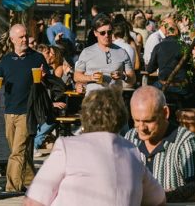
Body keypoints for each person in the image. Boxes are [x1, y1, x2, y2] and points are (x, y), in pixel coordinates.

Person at [24, 88, 165, 206]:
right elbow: (158, 199)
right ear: (122, 117)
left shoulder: (68, 148)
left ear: (84, 115)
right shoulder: (132, 152)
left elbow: (34, 201)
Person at [125, 86, 195, 202]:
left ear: (165, 112)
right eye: (136, 121)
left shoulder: (185, 142)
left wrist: (158, 197)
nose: (142, 128)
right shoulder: (130, 138)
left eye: (149, 121)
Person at [0, 23, 48, 192]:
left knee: (17, 152)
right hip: (9, 112)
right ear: (12, 40)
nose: (25, 39)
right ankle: (34, 182)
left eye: (26, 36)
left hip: (27, 110)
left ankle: (12, 188)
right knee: (19, 151)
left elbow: (49, 80)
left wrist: (45, 77)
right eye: (21, 37)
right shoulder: (6, 60)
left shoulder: (37, 58)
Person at [74, 14, 133, 93]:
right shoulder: (87, 52)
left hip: (114, 100)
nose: (107, 35)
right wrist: (91, 77)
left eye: (109, 32)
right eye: (102, 33)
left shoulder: (122, 52)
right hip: (93, 100)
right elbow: (76, 76)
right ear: (95, 33)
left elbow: (133, 79)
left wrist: (123, 76)